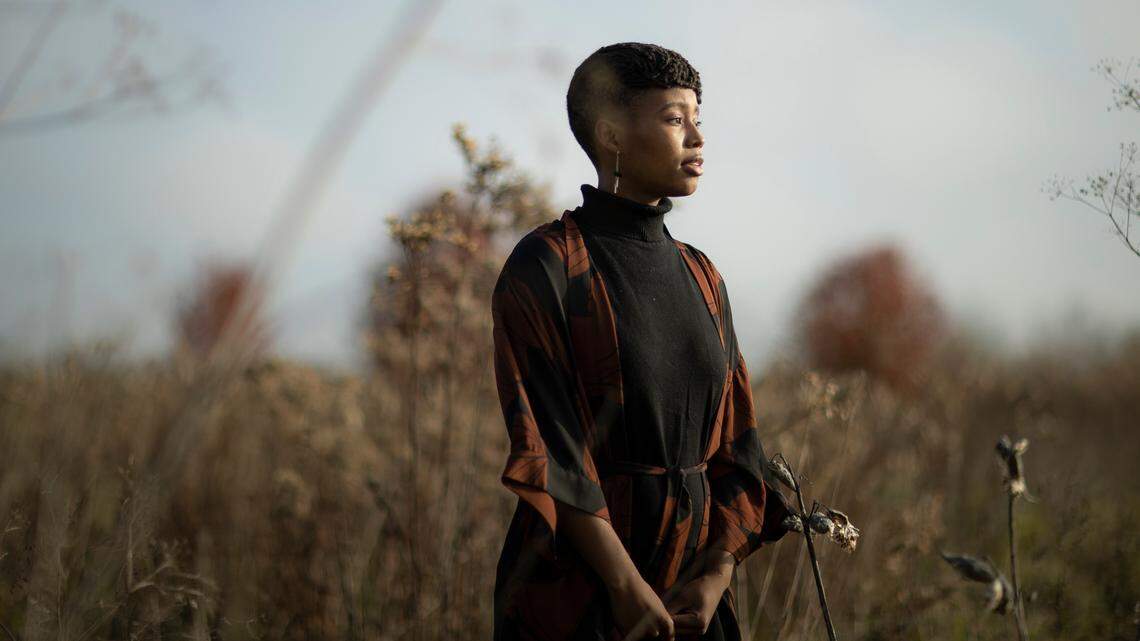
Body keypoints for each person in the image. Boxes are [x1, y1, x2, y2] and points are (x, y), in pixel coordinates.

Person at [491, 42, 792, 641]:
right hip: (579, 597)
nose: (698, 140)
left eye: (698, 120)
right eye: (675, 119)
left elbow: (739, 444)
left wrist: (715, 579)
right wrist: (626, 591)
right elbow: (552, 451)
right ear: (612, 136)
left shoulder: (704, 277)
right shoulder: (549, 265)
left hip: (692, 604)